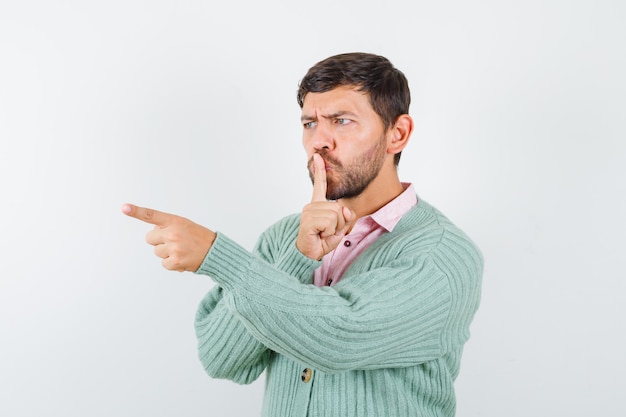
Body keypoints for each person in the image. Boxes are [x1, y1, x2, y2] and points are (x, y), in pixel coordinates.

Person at [122, 52, 483, 417]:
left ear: (398, 134)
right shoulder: (284, 236)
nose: (319, 141)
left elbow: (335, 339)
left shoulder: (442, 256)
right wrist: (298, 256)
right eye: (310, 123)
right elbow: (221, 359)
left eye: (342, 121)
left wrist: (217, 257)